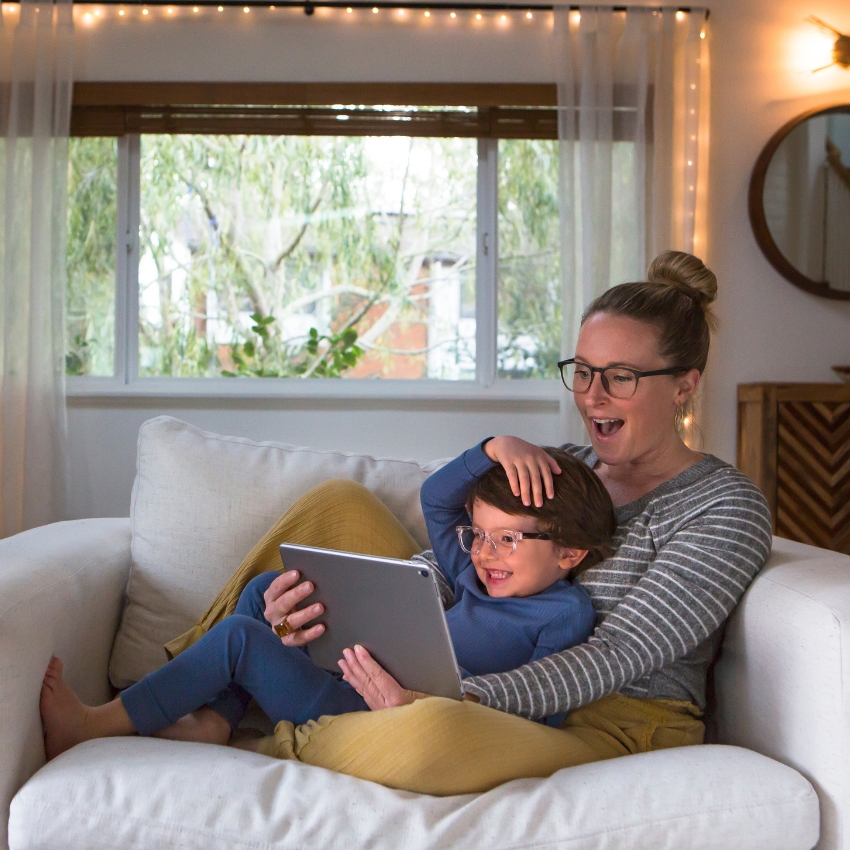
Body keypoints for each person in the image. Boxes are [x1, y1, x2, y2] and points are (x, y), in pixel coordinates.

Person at [39, 449, 615, 759]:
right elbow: (439, 499)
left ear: (569, 552)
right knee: (269, 590)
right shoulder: (473, 572)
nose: (487, 552)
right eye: (481, 534)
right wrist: (494, 448)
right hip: (357, 673)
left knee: (242, 639)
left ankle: (97, 724)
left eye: (508, 539)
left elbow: (544, 712)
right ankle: (218, 719)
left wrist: (437, 698)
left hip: (371, 714)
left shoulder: (565, 615)